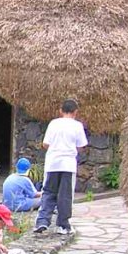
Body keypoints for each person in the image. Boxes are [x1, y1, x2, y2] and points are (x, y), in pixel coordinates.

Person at [36, 98, 88, 236]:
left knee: (48, 192)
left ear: (61, 111)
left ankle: (42, 221)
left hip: (52, 163)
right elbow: (82, 145)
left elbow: (45, 144)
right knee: (65, 195)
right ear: (75, 112)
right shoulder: (77, 126)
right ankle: (63, 225)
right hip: (68, 164)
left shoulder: (54, 124)